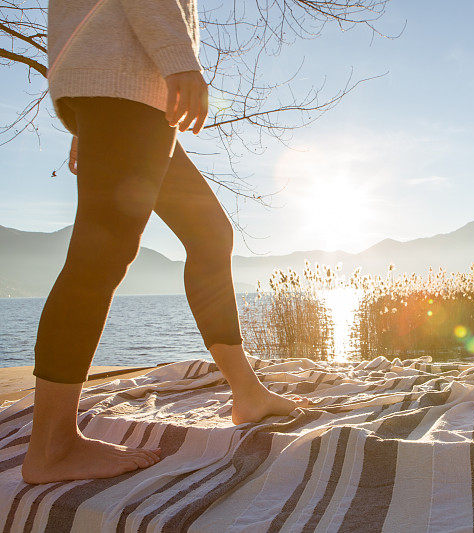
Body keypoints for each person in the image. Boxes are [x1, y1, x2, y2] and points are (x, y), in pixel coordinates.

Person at [21, 0, 303, 485]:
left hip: (124, 93)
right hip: (121, 86)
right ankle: (53, 446)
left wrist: (86, 116)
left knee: (209, 232)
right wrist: (180, 61)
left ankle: (247, 393)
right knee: (102, 255)